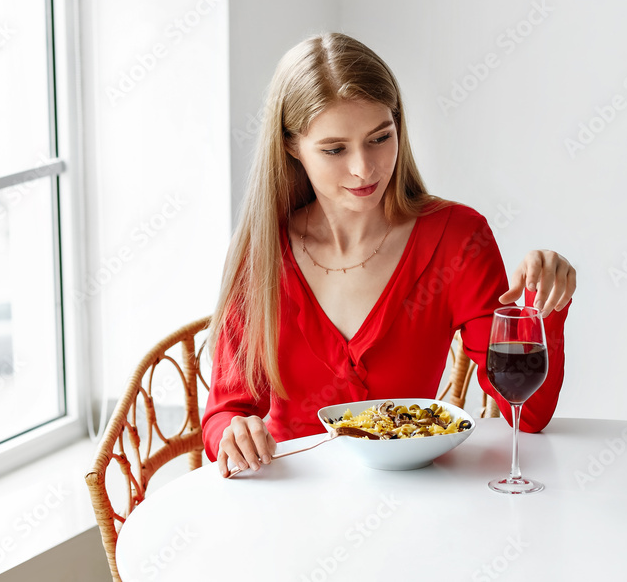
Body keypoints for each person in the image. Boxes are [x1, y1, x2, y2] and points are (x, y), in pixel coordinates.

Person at [202, 33, 575, 478]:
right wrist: (235, 431)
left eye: (380, 137)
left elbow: (527, 416)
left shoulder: (457, 237)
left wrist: (543, 307)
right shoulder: (259, 253)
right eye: (335, 149)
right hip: (295, 503)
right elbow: (226, 414)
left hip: (420, 501)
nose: (365, 168)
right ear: (290, 146)